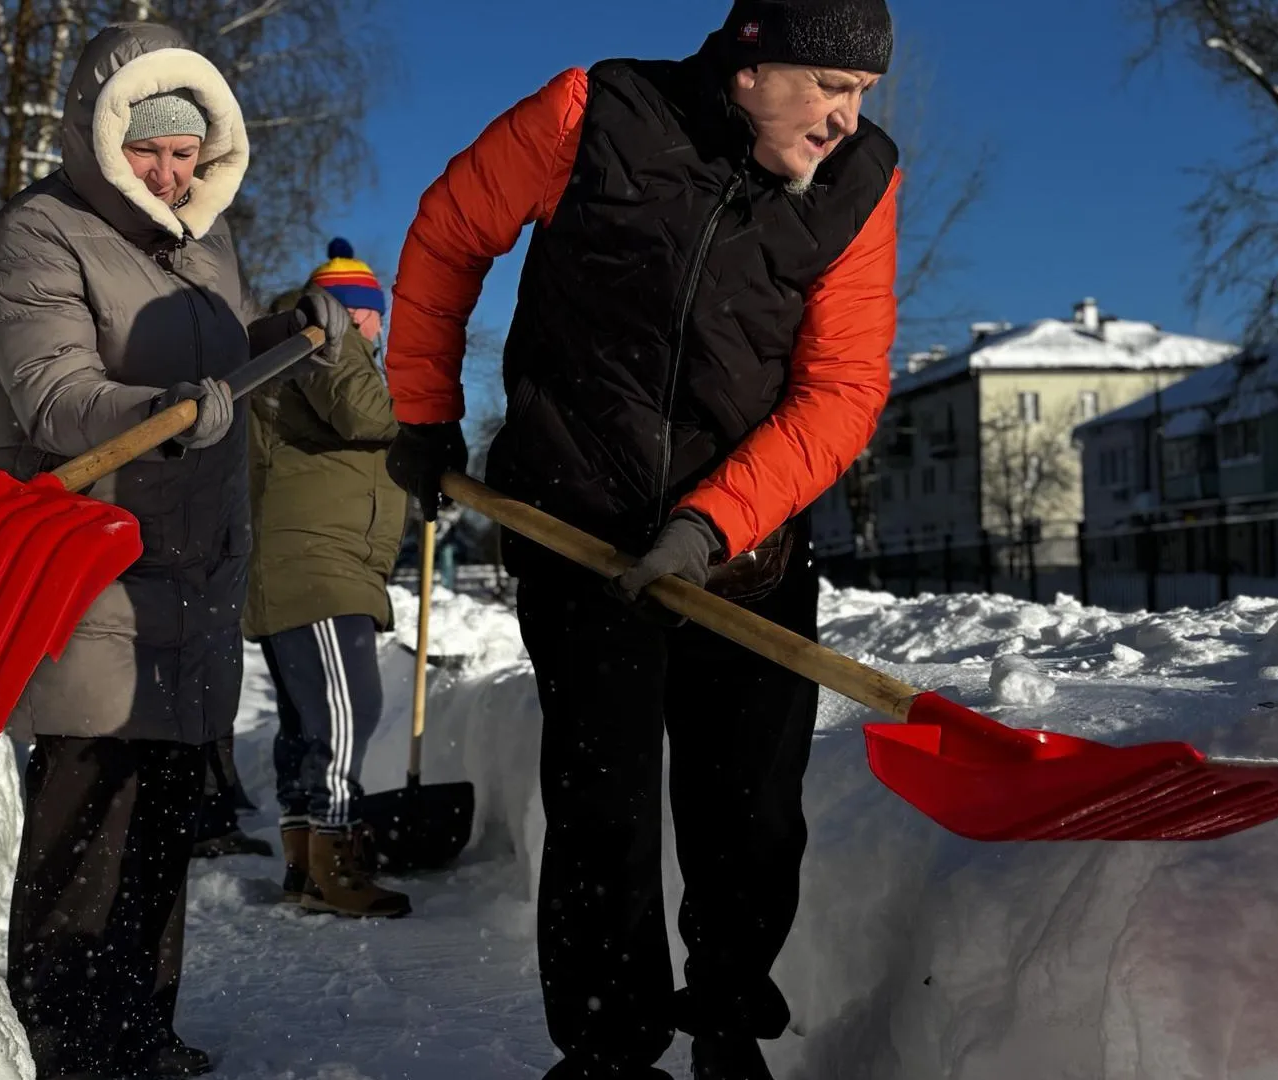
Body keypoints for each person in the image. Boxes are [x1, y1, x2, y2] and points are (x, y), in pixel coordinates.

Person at [380, 2, 900, 1077]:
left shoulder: (862, 183)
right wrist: (424, 410)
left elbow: (843, 388)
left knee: (750, 810)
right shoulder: (593, 112)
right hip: (578, 530)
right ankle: (611, 1044)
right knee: (601, 800)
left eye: (863, 97)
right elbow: (449, 233)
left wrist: (712, 524)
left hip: (744, 550)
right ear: (752, 68)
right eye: (831, 89)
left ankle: (724, 1024)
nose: (848, 121)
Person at [0, 22, 349, 1079]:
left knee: (161, 826)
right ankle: (70, 1043)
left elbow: (225, 371)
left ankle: (139, 1030)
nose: (170, 171)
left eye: (187, 153)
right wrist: (166, 408)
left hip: (192, 579)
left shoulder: (206, 248)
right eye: (149, 149)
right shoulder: (40, 231)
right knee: (87, 817)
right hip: (90, 565)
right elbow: (52, 394)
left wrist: (284, 334)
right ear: (102, 136)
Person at [243, 239, 411, 918]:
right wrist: (341, 337)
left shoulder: (308, 348)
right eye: (377, 317)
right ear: (361, 313)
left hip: (315, 562)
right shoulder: (319, 341)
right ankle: (336, 860)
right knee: (348, 713)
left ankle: (305, 861)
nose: (382, 330)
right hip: (316, 563)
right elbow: (370, 417)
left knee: (312, 722)